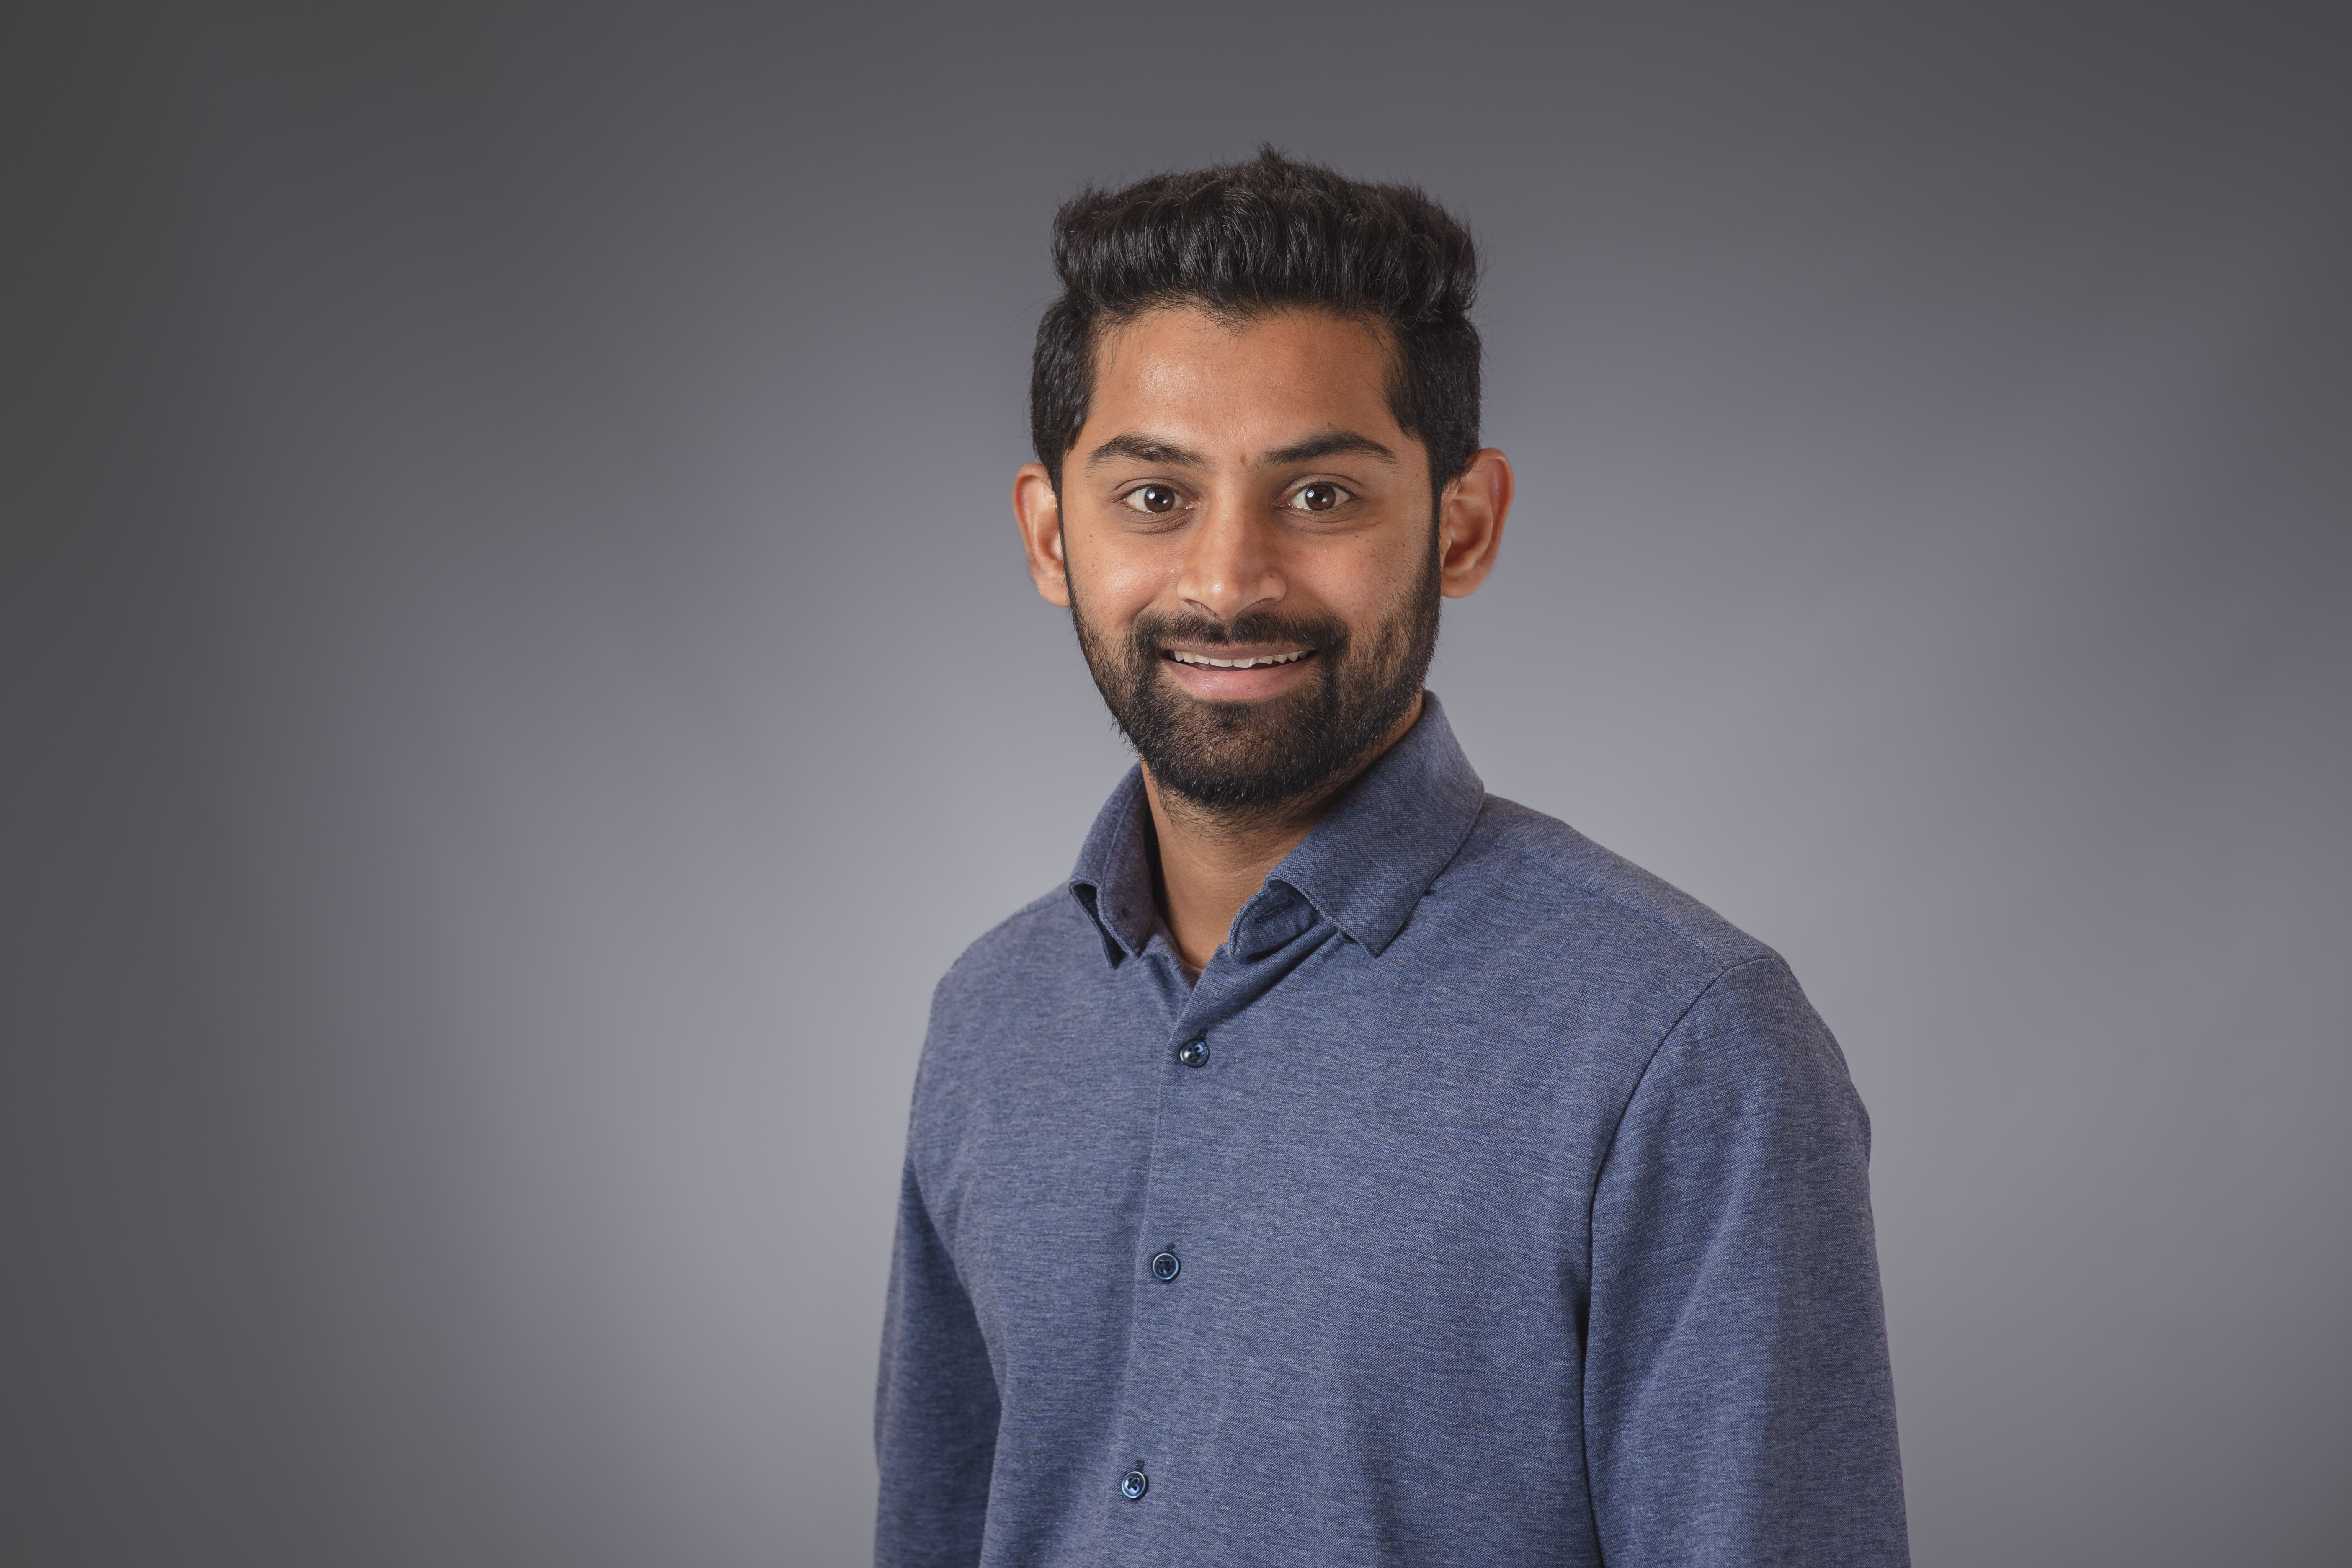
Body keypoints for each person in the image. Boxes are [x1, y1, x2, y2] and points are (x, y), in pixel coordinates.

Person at [874, 147, 1908, 1568]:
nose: (1228, 580)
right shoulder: (989, 1017)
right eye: (1156, 497)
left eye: (1320, 497)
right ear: (1054, 537)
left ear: (1462, 525)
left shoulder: (1683, 1044)